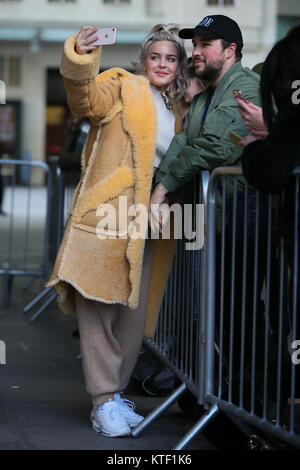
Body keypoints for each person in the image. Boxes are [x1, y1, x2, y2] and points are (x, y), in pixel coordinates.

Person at [46, 23, 188, 438]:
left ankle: (115, 394)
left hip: (147, 224)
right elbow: (85, 98)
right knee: (97, 307)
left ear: (178, 66)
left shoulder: (176, 107)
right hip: (107, 214)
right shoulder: (122, 85)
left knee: (133, 314)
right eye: (155, 56)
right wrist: (80, 55)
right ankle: (101, 400)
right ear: (143, 60)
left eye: (170, 58)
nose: (161, 64)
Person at [149, 14, 261, 230]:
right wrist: (160, 192)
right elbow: (181, 143)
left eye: (205, 44)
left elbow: (215, 146)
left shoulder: (248, 88)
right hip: (212, 222)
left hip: (245, 225)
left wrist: (164, 187)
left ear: (230, 50)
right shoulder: (202, 99)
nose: (196, 52)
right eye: (195, 44)